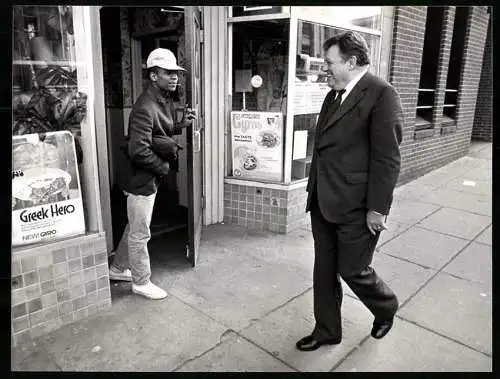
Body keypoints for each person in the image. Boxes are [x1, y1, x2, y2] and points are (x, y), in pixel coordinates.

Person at [296, 31, 403, 351]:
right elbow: (325, 148)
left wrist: (378, 208)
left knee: (353, 268)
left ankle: (385, 307)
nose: (325, 68)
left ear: (352, 61)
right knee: (324, 270)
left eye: (330, 62)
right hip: (323, 201)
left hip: (357, 206)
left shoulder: (382, 94)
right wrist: (313, 189)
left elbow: (387, 158)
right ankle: (327, 330)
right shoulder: (333, 95)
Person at [109, 48, 196, 300]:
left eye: (175, 73)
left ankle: (118, 268)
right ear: (153, 75)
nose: (174, 77)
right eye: (168, 73)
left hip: (148, 177)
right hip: (139, 179)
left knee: (135, 226)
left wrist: (182, 125)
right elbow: (138, 151)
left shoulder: (163, 99)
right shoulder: (145, 107)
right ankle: (140, 281)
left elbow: (161, 132)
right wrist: (165, 168)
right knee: (140, 233)